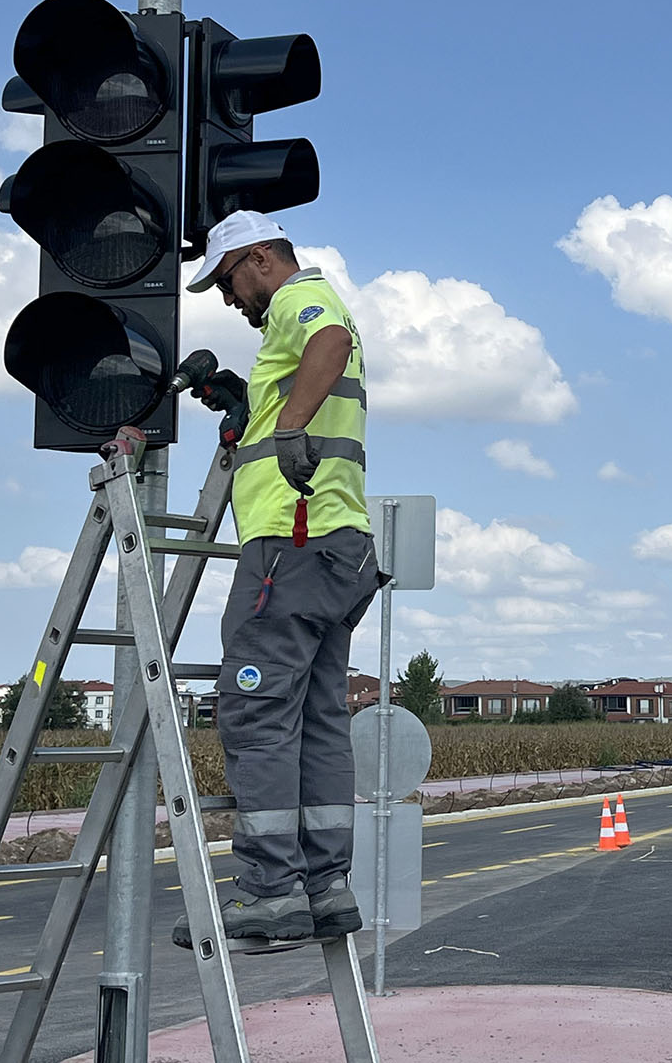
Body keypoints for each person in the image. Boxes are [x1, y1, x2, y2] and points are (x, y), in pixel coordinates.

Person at [174, 209, 382, 947]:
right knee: (319, 720)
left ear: (261, 258)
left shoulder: (303, 299)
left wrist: (287, 424)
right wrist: (257, 407)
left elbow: (329, 342)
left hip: (289, 548)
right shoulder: (293, 328)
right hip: (336, 550)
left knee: (258, 713)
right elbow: (313, 370)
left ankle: (269, 891)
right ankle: (325, 886)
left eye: (229, 281)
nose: (231, 299)